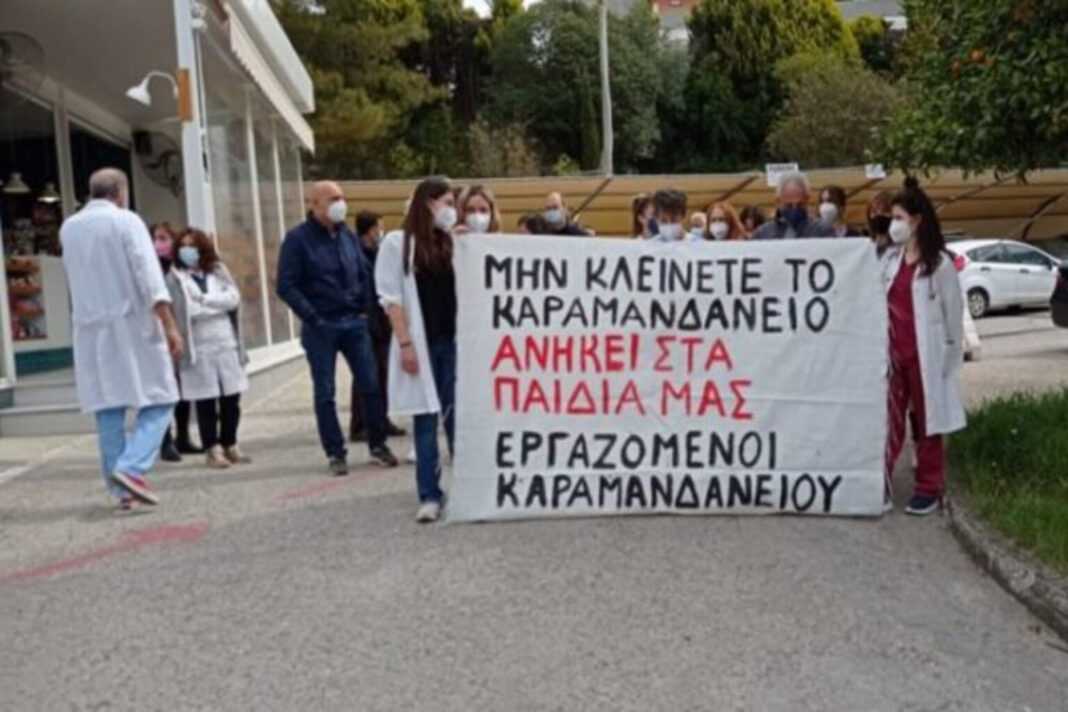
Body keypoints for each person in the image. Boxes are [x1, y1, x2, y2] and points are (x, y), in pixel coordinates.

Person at [60, 168, 183, 509]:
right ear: (120, 192)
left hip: (90, 329)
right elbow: (149, 275)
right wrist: (169, 324)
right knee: (162, 397)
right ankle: (131, 468)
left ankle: (122, 492)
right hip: (130, 324)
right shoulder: (126, 221)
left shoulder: (69, 228)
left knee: (108, 408)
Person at [277, 181, 399, 476]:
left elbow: (364, 273)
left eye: (342, 197)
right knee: (325, 392)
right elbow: (286, 285)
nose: (340, 203)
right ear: (315, 204)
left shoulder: (347, 236)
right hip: (321, 326)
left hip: (355, 322)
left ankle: (378, 444)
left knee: (371, 385)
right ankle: (335, 452)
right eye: (333, 199)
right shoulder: (297, 240)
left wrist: (367, 311)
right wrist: (313, 317)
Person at [880, 177, 966, 516]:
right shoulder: (890, 260)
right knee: (887, 422)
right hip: (892, 357)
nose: (893, 224)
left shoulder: (939, 265)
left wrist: (949, 361)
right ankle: (880, 482)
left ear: (916, 221)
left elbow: (953, 316)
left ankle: (929, 487)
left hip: (926, 357)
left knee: (928, 422)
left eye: (898, 218)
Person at [375, 176, 458, 523]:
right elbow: (391, 299)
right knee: (425, 422)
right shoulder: (398, 243)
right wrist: (406, 344)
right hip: (422, 345)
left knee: (457, 417)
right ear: (428, 203)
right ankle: (429, 494)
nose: (452, 210)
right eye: (447, 203)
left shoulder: (452, 242)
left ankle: (467, 490)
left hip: (453, 344)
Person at [168, 228, 251, 469]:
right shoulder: (174, 278)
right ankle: (212, 449)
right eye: (183, 246)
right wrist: (216, 305)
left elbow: (233, 299)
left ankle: (230, 443)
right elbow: (187, 311)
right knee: (205, 400)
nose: (188, 251)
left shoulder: (218, 270)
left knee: (231, 398)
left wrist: (204, 300)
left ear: (202, 248)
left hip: (225, 341)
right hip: (198, 345)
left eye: (192, 245)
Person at [349, 210, 406, 443]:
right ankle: (359, 425)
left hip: (381, 323)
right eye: (379, 228)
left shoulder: (377, 253)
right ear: (371, 230)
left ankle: (381, 419)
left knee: (382, 374)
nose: (381, 232)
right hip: (366, 322)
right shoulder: (356, 254)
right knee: (365, 376)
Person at [151, 222, 201, 463]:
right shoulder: (152, 268)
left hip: (180, 333)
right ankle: (165, 441)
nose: (158, 244)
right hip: (158, 334)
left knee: (183, 389)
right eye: (155, 238)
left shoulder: (181, 268)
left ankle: (183, 437)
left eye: (163, 238)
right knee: (164, 391)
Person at [752, 172, 835, 240]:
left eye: (799, 205)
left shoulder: (823, 231)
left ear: (807, 199)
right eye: (788, 205)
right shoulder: (763, 234)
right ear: (778, 201)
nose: (794, 209)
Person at [867, 190, 895, 255]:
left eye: (885, 211)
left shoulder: (905, 248)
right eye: (874, 211)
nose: (879, 215)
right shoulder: (862, 245)